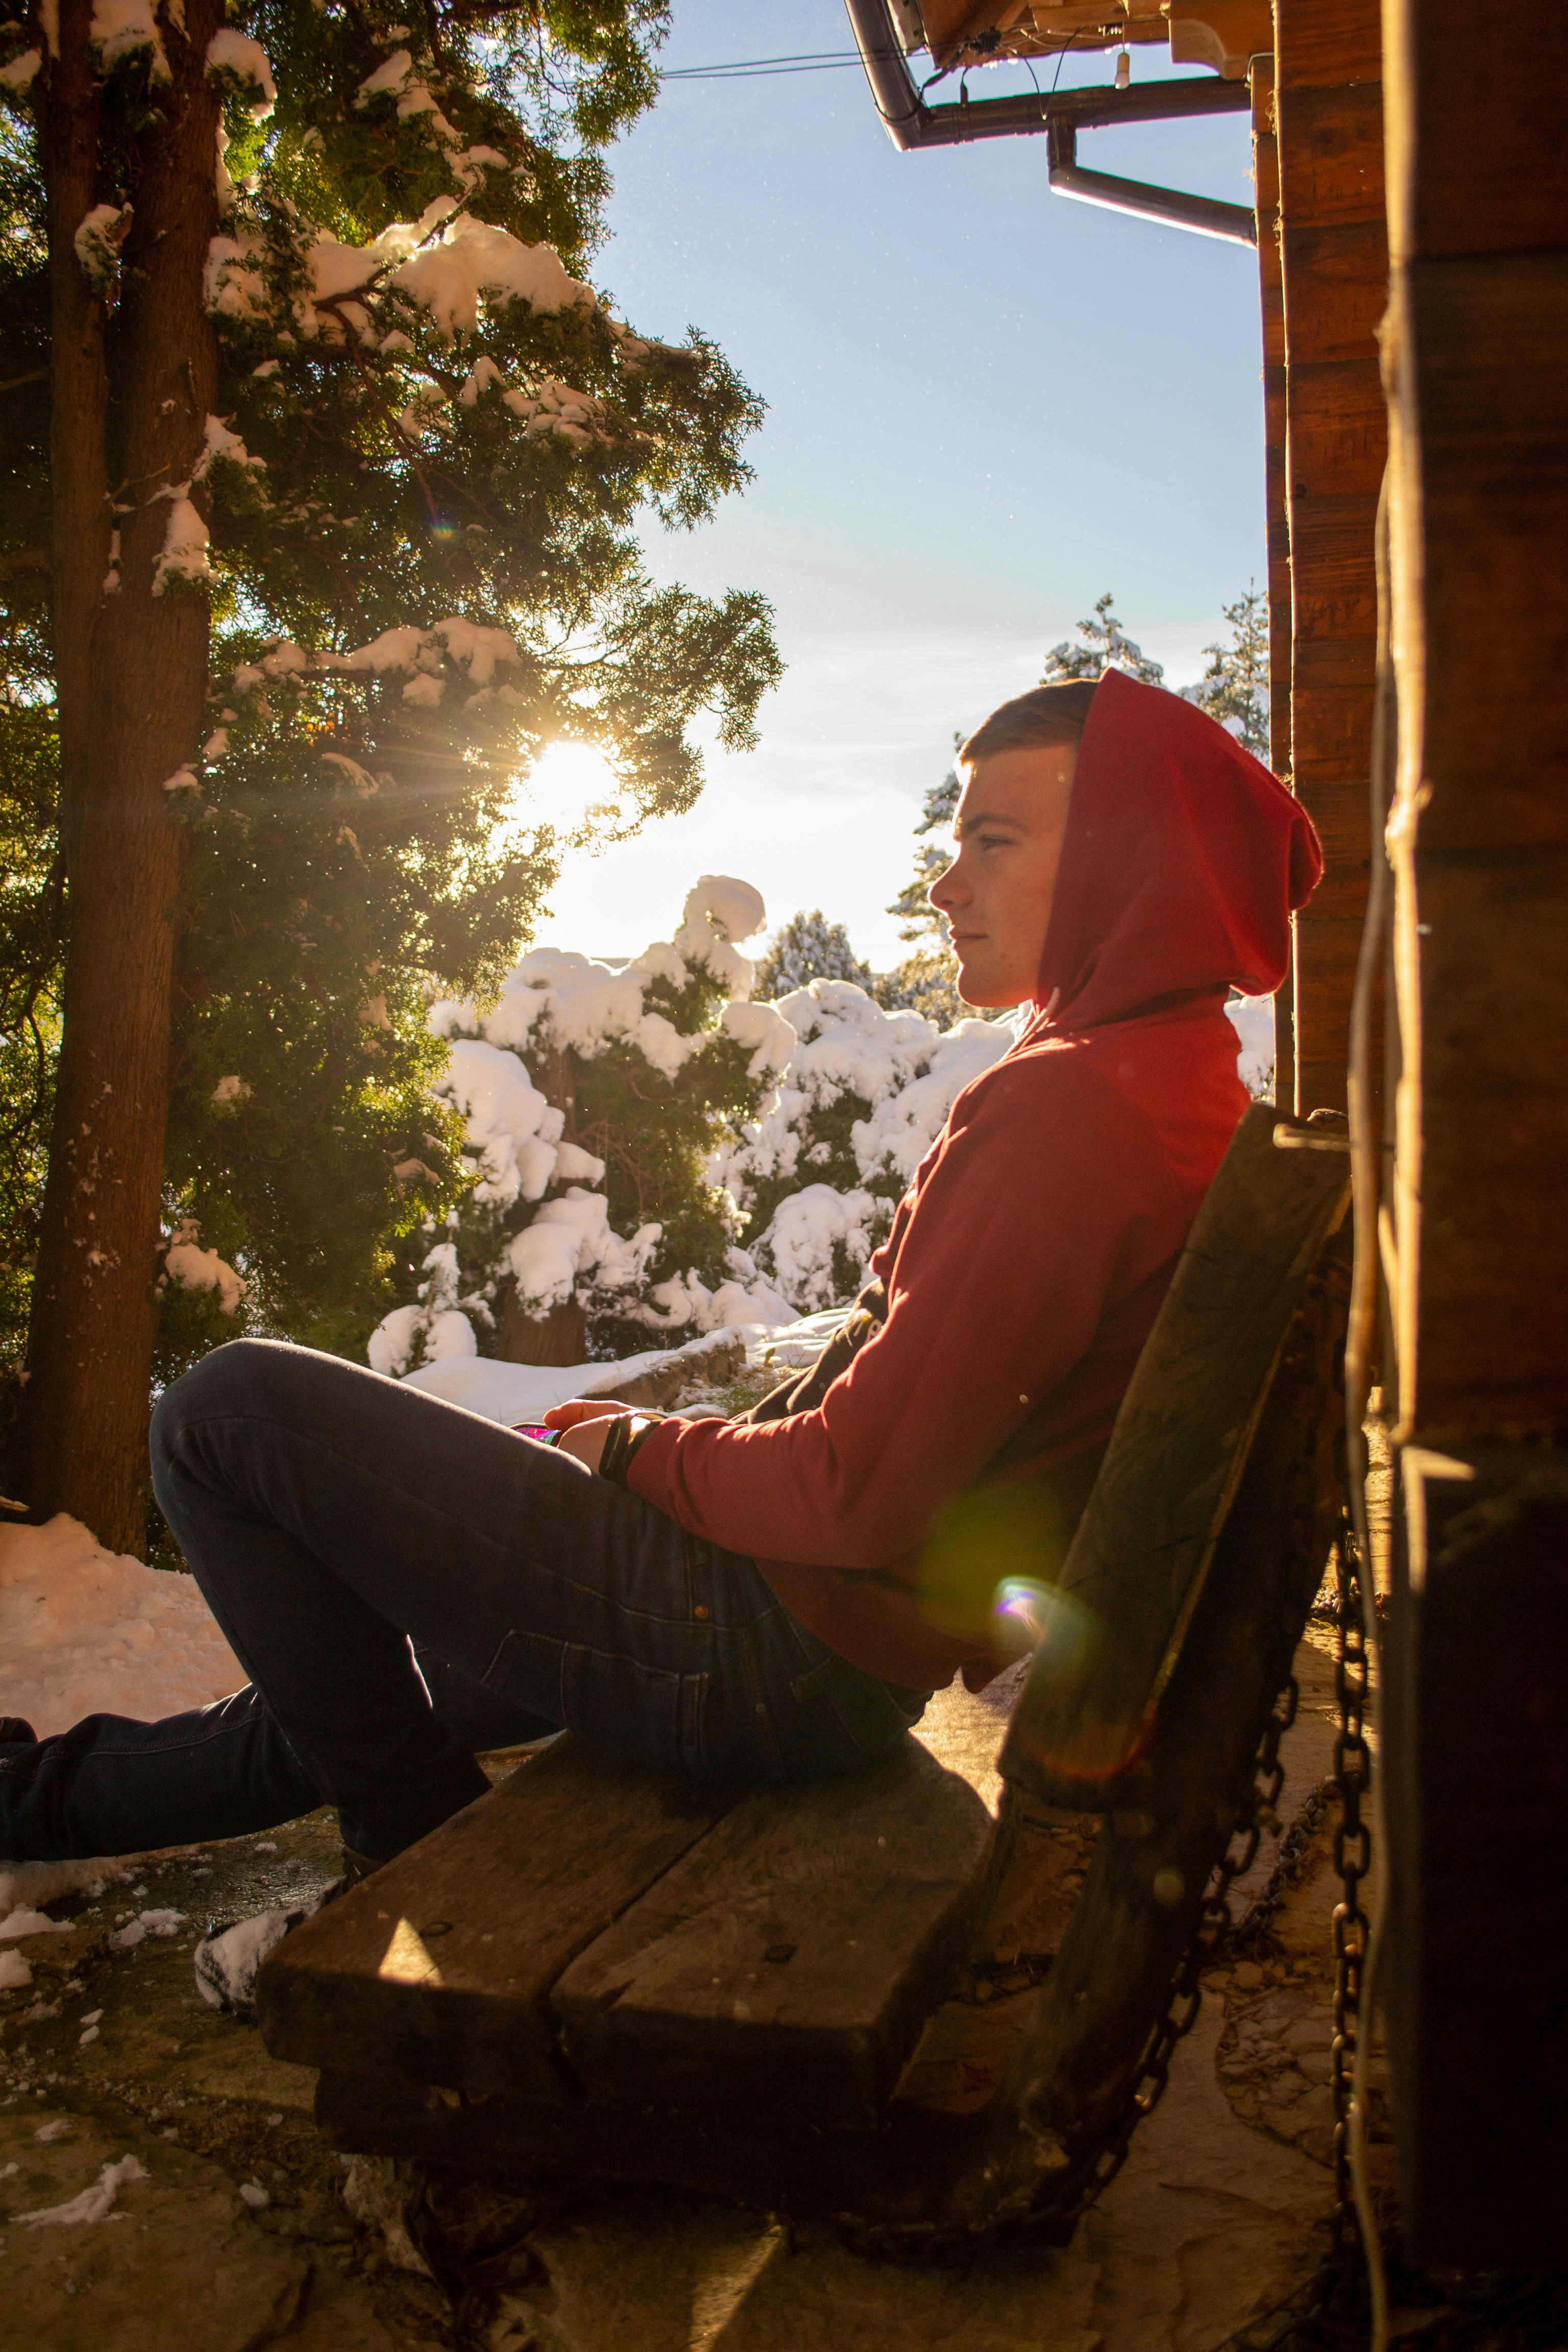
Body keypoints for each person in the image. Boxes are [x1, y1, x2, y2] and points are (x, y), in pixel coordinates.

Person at [0, 669, 1319, 2005]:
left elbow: (856, 1491)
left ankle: (409, 1854)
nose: (944, 884)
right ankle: (28, 1803)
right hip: (816, 1638)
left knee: (226, 1415)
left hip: (762, 1650)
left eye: (995, 841)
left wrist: (641, 1452)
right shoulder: (1170, 1075)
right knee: (367, 1694)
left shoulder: (1068, 1113)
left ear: (1120, 860)